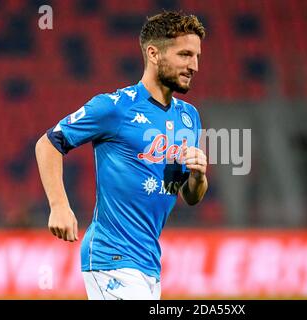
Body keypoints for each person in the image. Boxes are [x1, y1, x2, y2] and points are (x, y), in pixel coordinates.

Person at [35, 11, 207, 300]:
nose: (195, 65)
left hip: (149, 262)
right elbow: (48, 143)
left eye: (197, 56)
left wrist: (199, 176)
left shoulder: (189, 117)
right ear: (153, 53)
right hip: (112, 257)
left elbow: (191, 196)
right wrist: (59, 205)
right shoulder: (114, 107)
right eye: (185, 55)